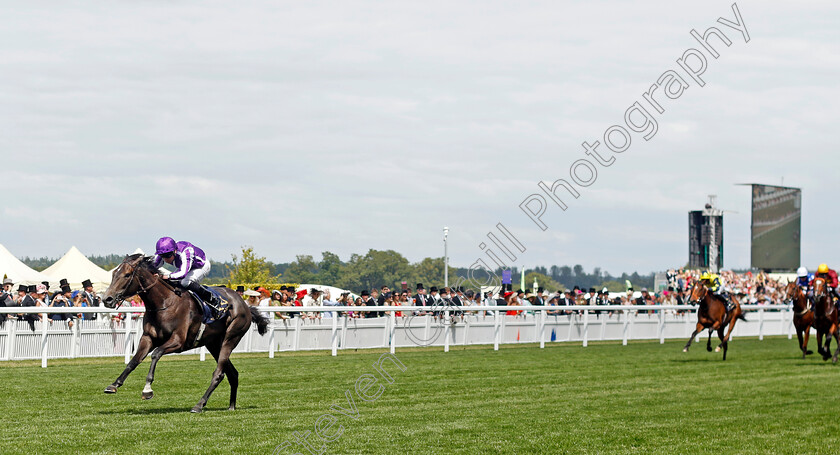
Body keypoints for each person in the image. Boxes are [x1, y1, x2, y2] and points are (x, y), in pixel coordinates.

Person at [152, 236, 222, 316]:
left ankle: (212, 299)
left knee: (185, 282)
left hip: (200, 266)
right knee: (171, 282)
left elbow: (183, 274)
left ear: (175, 251)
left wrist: (166, 276)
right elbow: (152, 267)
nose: (165, 259)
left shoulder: (186, 251)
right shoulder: (164, 252)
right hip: (186, 267)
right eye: (162, 256)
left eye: (168, 256)